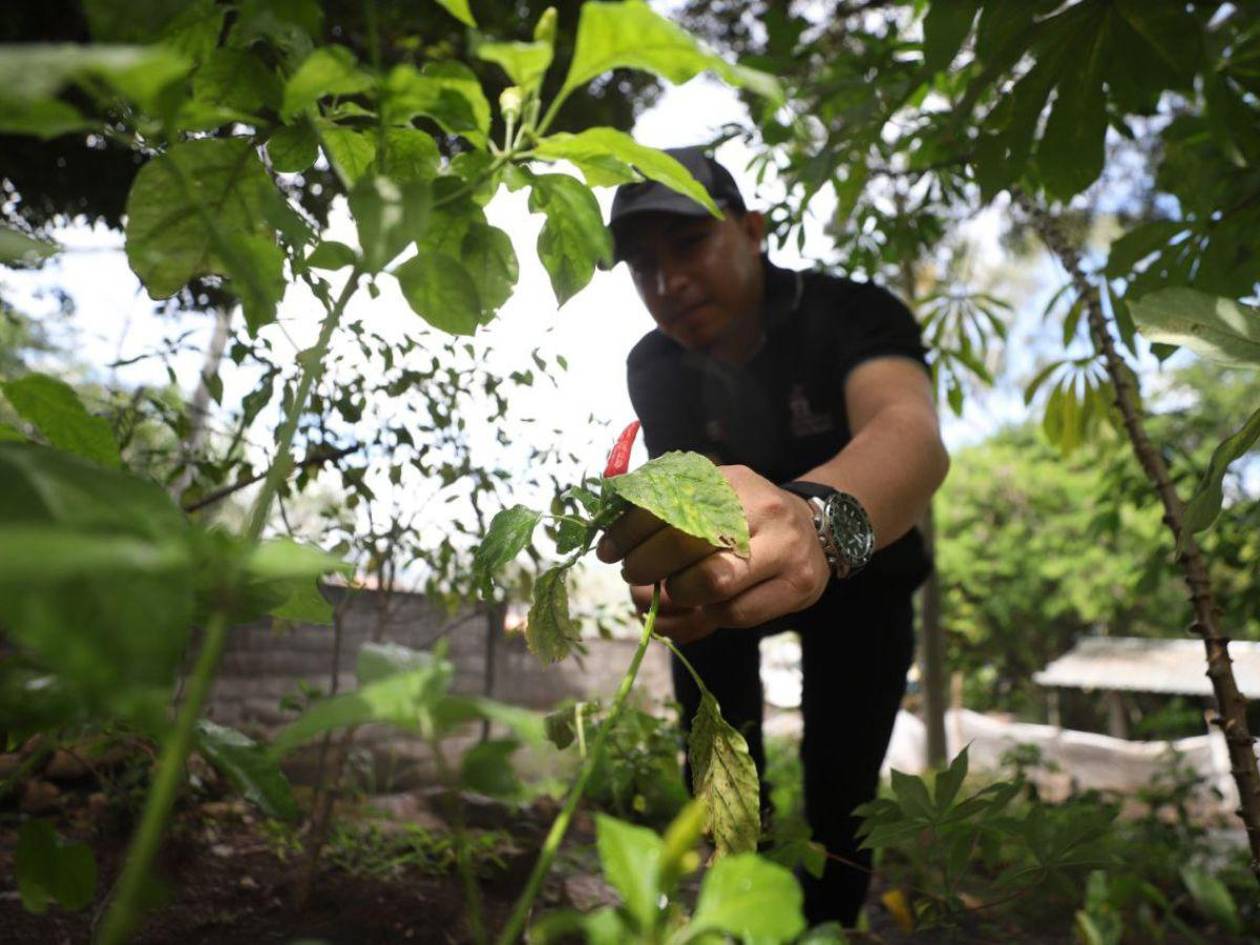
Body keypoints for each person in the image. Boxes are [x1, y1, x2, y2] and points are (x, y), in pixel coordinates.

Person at [595, 146, 950, 928]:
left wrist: (819, 520)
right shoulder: (652, 366)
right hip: (740, 579)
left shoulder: (855, 312)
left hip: (868, 574)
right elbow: (686, 498)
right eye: (640, 266)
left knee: (843, 789)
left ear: (753, 229)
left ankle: (830, 924)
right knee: (716, 763)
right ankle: (733, 915)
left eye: (688, 244)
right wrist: (671, 573)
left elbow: (912, 433)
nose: (667, 282)